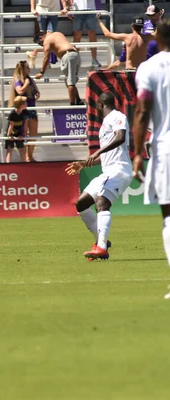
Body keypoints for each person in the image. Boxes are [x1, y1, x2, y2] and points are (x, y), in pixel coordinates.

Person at [66, 92, 131, 261]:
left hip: (119, 170)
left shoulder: (117, 116)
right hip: (107, 171)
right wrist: (84, 163)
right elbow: (106, 156)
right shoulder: (105, 124)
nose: (96, 109)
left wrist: (96, 152)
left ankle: (101, 247)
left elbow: (120, 137)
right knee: (81, 204)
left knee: (101, 202)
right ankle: (102, 241)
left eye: (96, 106)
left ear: (101, 104)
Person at [132, 20, 170, 299]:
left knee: (169, 215)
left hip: (165, 147)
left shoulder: (149, 68)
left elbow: (142, 112)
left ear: (158, 37)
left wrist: (136, 153)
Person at [34, 31, 83, 105]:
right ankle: (78, 100)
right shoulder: (57, 34)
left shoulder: (47, 40)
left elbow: (46, 58)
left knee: (70, 83)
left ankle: (72, 105)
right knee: (70, 81)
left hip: (68, 56)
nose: (41, 45)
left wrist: (41, 72)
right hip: (75, 55)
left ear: (41, 38)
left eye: (39, 43)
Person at [10, 60, 40, 162]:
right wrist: (26, 83)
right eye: (27, 67)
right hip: (22, 109)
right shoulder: (18, 79)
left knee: (33, 133)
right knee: (23, 133)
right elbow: (20, 91)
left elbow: (35, 91)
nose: (29, 69)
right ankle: (24, 157)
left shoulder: (30, 79)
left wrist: (36, 93)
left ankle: (29, 156)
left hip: (31, 107)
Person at [26, 0, 67, 68]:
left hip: (54, 11)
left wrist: (65, 7)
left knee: (50, 36)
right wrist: (32, 9)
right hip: (42, 10)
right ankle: (45, 61)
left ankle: (34, 54)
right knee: (43, 37)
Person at [68, 0, 101, 69]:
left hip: (91, 9)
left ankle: (94, 59)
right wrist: (70, 8)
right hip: (77, 10)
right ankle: (75, 60)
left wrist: (98, 8)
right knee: (77, 36)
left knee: (92, 34)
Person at [5, 96, 28, 163]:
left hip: (19, 132)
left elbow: (25, 124)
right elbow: (11, 125)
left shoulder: (25, 112)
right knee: (9, 149)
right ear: (22, 105)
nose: (27, 104)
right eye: (25, 103)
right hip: (11, 132)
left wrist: (23, 135)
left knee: (21, 149)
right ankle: (7, 165)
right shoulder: (12, 114)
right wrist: (9, 135)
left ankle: (24, 164)